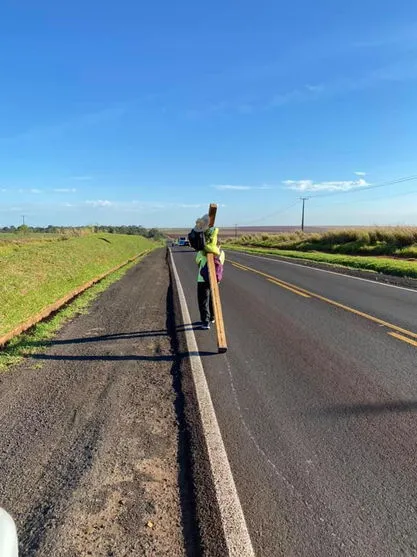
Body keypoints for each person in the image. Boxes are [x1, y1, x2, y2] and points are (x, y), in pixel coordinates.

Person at [194, 214, 225, 330]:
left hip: (202, 279)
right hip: (215, 280)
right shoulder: (221, 253)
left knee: (203, 300)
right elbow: (221, 263)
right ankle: (212, 317)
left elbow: (197, 262)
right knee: (213, 299)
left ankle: (205, 322)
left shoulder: (202, 252)